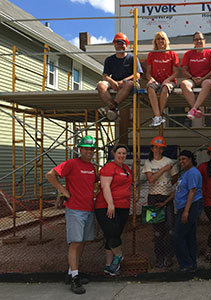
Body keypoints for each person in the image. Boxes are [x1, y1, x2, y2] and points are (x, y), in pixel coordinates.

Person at [45, 136, 97, 294]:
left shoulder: (92, 167)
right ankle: (75, 278)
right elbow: (50, 174)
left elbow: (94, 182)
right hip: (75, 209)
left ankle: (72, 273)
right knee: (75, 242)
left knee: (82, 242)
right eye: (86, 149)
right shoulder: (71, 164)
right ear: (80, 149)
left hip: (88, 209)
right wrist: (63, 192)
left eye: (91, 149)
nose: (89, 152)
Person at [141, 136, 179, 270]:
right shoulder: (148, 163)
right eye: (156, 147)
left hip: (166, 197)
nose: (158, 150)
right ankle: (159, 258)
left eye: (160, 148)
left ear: (163, 149)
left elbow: (175, 177)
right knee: (157, 231)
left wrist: (166, 184)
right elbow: (150, 180)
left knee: (170, 229)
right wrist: (163, 170)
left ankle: (169, 257)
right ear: (152, 148)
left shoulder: (169, 161)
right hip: (154, 198)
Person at [94, 144, 132, 276]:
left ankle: (109, 266)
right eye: (119, 153)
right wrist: (110, 204)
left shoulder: (126, 168)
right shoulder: (109, 167)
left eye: (124, 153)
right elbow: (105, 186)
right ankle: (119, 255)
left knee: (112, 236)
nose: (122, 156)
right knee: (113, 232)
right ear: (114, 153)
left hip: (123, 206)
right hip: (107, 206)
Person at [97, 33, 143, 121]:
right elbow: (105, 76)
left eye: (122, 43)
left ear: (126, 45)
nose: (120, 46)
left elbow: (137, 75)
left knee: (129, 84)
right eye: (118, 43)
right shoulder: (109, 60)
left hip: (129, 83)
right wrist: (112, 82)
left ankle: (110, 108)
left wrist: (124, 80)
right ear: (114, 44)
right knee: (101, 85)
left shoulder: (132, 58)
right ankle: (113, 108)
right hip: (115, 82)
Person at [173, 150, 204, 272]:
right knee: (189, 235)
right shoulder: (185, 173)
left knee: (178, 235)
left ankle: (185, 263)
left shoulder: (192, 173)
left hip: (191, 206)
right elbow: (179, 190)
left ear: (191, 159)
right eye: (180, 160)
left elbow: (192, 191)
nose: (181, 162)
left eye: (184, 159)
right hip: (184, 206)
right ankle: (192, 263)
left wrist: (186, 211)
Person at [180, 32, 211, 120]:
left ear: (204, 41)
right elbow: (184, 69)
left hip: (208, 79)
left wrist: (203, 78)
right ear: (193, 42)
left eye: (201, 39)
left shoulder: (210, 53)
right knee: (183, 84)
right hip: (193, 79)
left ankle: (193, 109)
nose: (199, 41)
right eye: (196, 39)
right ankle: (196, 109)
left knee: (206, 83)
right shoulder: (188, 54)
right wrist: (192, 78)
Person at [146, 31, 179, 127]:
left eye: (162, 38)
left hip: (169, 81)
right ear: (155, 41)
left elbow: (176, 72)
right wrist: (151, 79)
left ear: (166, 41)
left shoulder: (172, 54)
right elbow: (148, 73)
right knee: (150, 87)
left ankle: (158, 115)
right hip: (156, 81)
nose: (160, 41)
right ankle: (157, 116)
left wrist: (168, 79)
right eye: (158, 39)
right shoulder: (151, 54)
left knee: (165, 88)